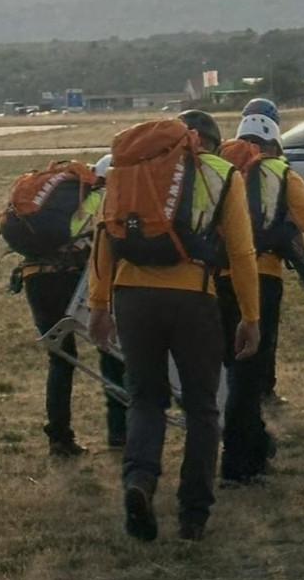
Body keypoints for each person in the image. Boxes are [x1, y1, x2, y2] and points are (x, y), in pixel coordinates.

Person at [88, 110, 261, 542]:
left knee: (145, 399)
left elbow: (103, 238)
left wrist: (99, 305)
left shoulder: (128, 170)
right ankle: (192, 515)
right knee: (202, 408)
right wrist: (250, 316)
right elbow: (242, 253)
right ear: (208, 140)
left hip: (131, 297)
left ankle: (139, 481)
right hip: (192, 297)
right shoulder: (222, 173)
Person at [215, 99, 304, 484]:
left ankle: (257, 444)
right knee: (248, 374)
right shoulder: (282, 174)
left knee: (229, 368)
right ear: (276, 144)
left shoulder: (215, 167)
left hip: (216, 280)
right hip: (262, 278)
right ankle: (237, 465)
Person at [17, 154, 127, 457]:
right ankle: (120, 432)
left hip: (35, 279)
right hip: (70, 278)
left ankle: (60, 437)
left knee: (61, 360)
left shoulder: (61, 201)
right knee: (111, 351)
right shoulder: (101, 200)